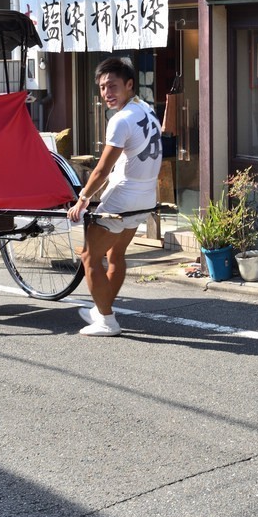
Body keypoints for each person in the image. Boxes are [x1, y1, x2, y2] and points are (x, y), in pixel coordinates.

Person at [67, 58, 162, 336]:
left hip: (124, 197)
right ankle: (102, 308)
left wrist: (82, 199)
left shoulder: (120, 120)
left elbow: (101, 169)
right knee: (116, 253)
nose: (107, 93)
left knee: (89, 256)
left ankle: (107, 320)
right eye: (102, 87)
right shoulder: (147, 110)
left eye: (113, 86)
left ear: (129, 85)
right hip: (146, 196)